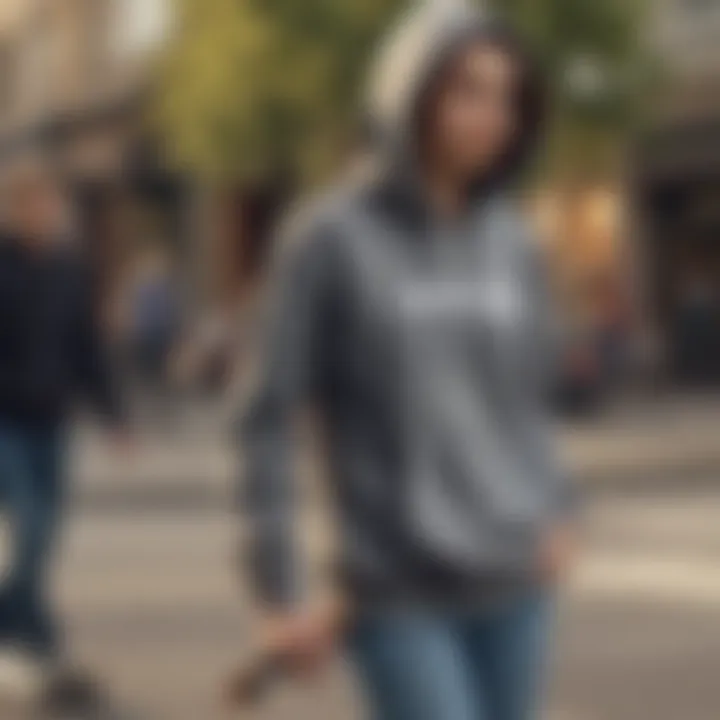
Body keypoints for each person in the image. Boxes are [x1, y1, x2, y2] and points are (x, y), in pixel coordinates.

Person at [238, 4, 577, 720]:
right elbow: (266, 417)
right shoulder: (326, 239)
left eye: (507, 96)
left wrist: (559, 508)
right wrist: (279, 589)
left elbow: (526, 399)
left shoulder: (513, 240)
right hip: (396, 589)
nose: (494, 116)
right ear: (408, 94)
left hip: (516, 581)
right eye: (468, 91)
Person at [0, 158, 127, 706]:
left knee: (47, 533)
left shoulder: (70, 270)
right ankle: (30, 632)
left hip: (52, 421)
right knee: (28, 524)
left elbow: (87, 349)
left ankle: (25, 630)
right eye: (26, 202)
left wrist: (113, 414)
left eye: (46, 203)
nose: (38, 213)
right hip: (3, 419)